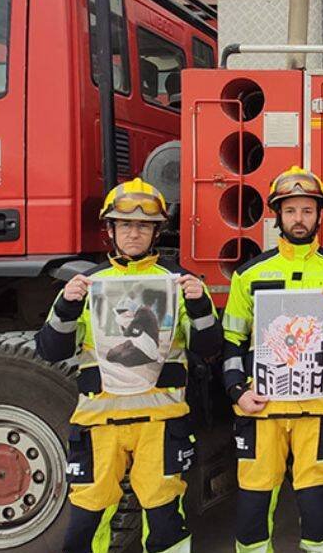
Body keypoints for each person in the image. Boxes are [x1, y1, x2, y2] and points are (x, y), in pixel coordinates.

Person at [36, 178, 221, 553]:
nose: (133, 233)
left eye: (143, 226)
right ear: (110, 231)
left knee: (165, 520)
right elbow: (51, 350)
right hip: (99, 423)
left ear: (156, 232)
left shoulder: (178, 283)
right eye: (124, 224)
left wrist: (200, 304)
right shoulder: (87, 285)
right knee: (86, 521)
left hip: (160, 422)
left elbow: (209, 348)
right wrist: (67, 306)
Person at [222, 167, 323, 553]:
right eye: (290, 211)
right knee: (252, 508)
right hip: (262, 409)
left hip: (319, 410)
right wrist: (236, 391)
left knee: (317, 505)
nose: (299, 219)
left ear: (319, 215)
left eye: (307, 211)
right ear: (278, 215)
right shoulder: (249, 274)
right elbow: (231, 342)